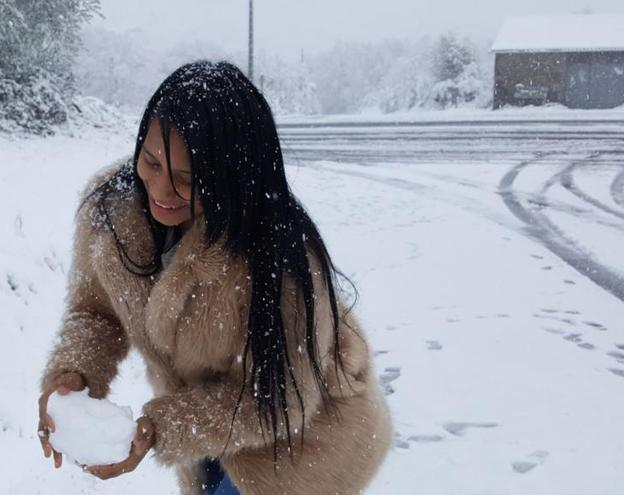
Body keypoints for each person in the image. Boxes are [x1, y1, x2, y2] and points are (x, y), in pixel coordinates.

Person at [38, 61, 392, 495]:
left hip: (301, 446)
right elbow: (96, 312)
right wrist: (73, 374)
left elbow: (274, 402)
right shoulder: (112, 216)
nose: (161, 191)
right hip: (210, 431)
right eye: (150, 161)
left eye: (189, 179)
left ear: (234, 178)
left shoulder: (277, 258)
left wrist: (158, 427)